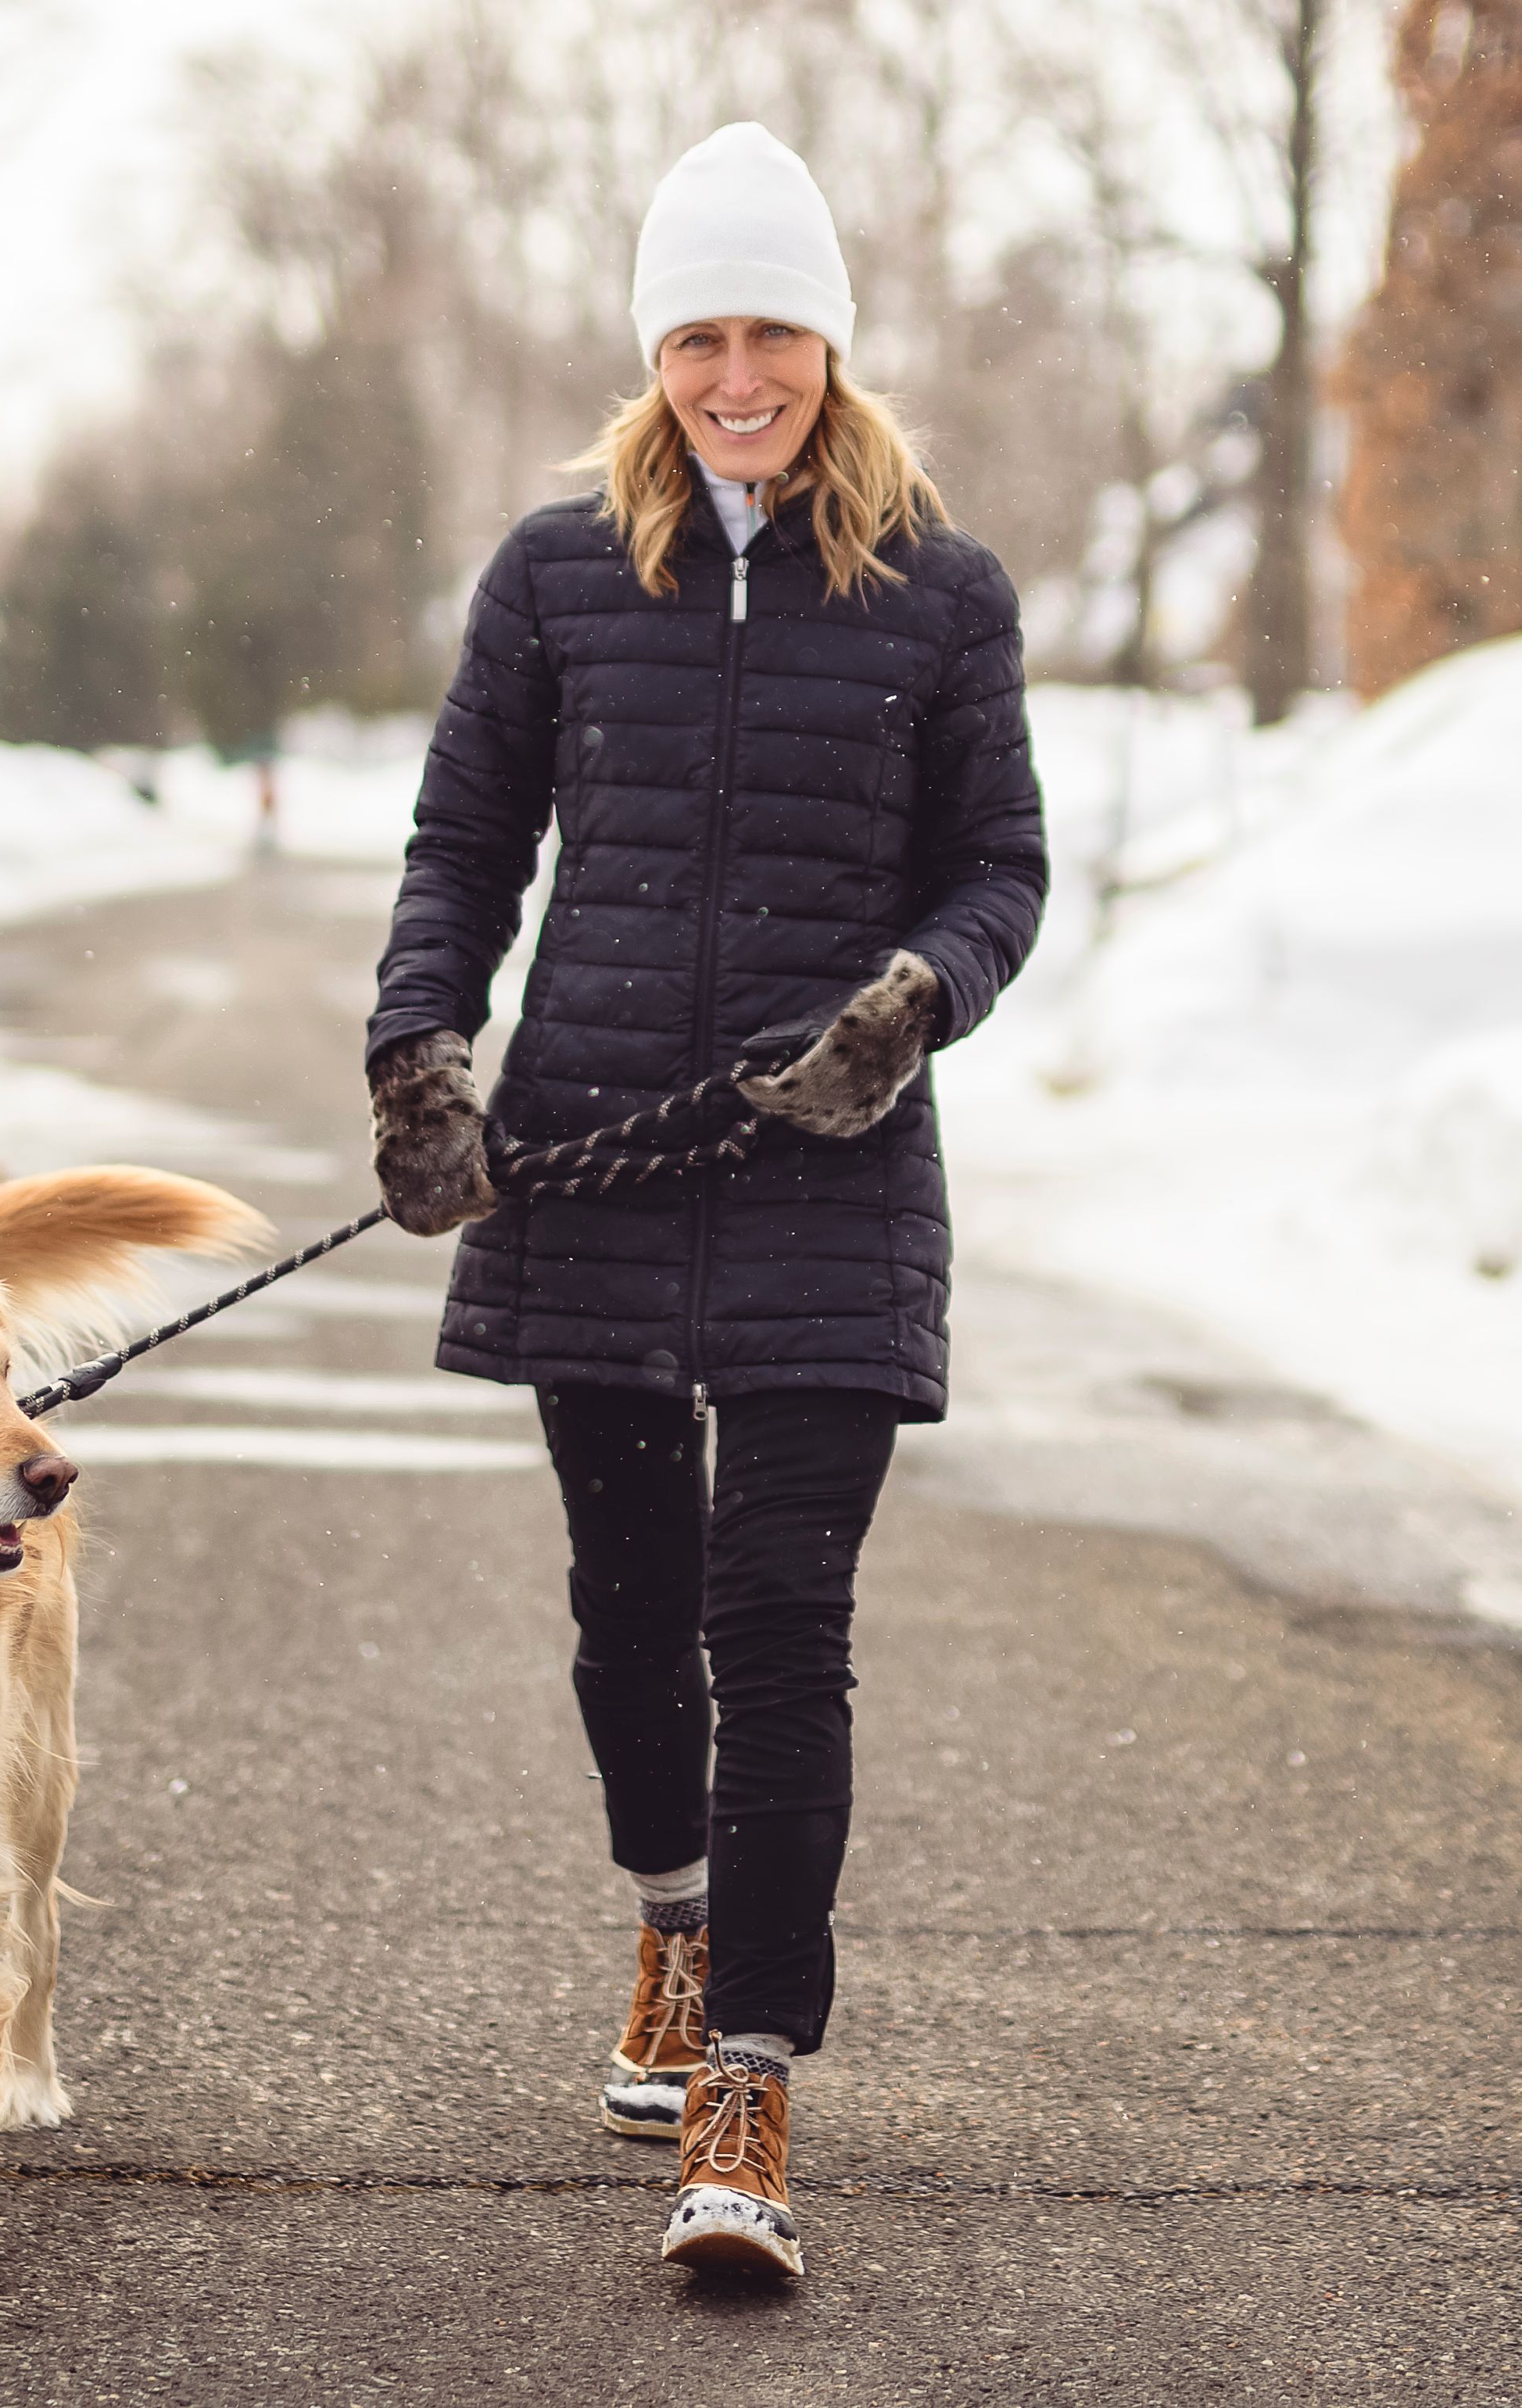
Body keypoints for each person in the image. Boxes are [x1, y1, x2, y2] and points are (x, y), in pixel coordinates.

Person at [363, 120, 1047, 2281]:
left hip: (829, 1162)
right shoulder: (560, 575)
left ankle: (747, 2072)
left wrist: (913, 999)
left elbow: (1001, 868)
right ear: (653, 350)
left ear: (832, 344)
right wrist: (418, 1056)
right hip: (595, 1155)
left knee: (785, 1620)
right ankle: (669, 1916)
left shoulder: (942, 592)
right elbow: (463, 848)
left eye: (771, 333)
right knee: (629, 1600)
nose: (735, 375)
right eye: (696, 336)